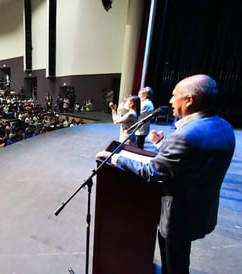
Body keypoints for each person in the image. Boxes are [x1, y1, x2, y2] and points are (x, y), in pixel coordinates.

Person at [96, 74, 235, 274]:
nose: (170, 101)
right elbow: (192, 163)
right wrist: (162, 145)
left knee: (174, 266)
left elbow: (151, 172)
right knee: (180, 260)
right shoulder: (224, 127)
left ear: (189, 100)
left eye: (174, 95)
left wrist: (115, 158)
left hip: (177, 217)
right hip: (200, 210)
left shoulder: (185, 136)